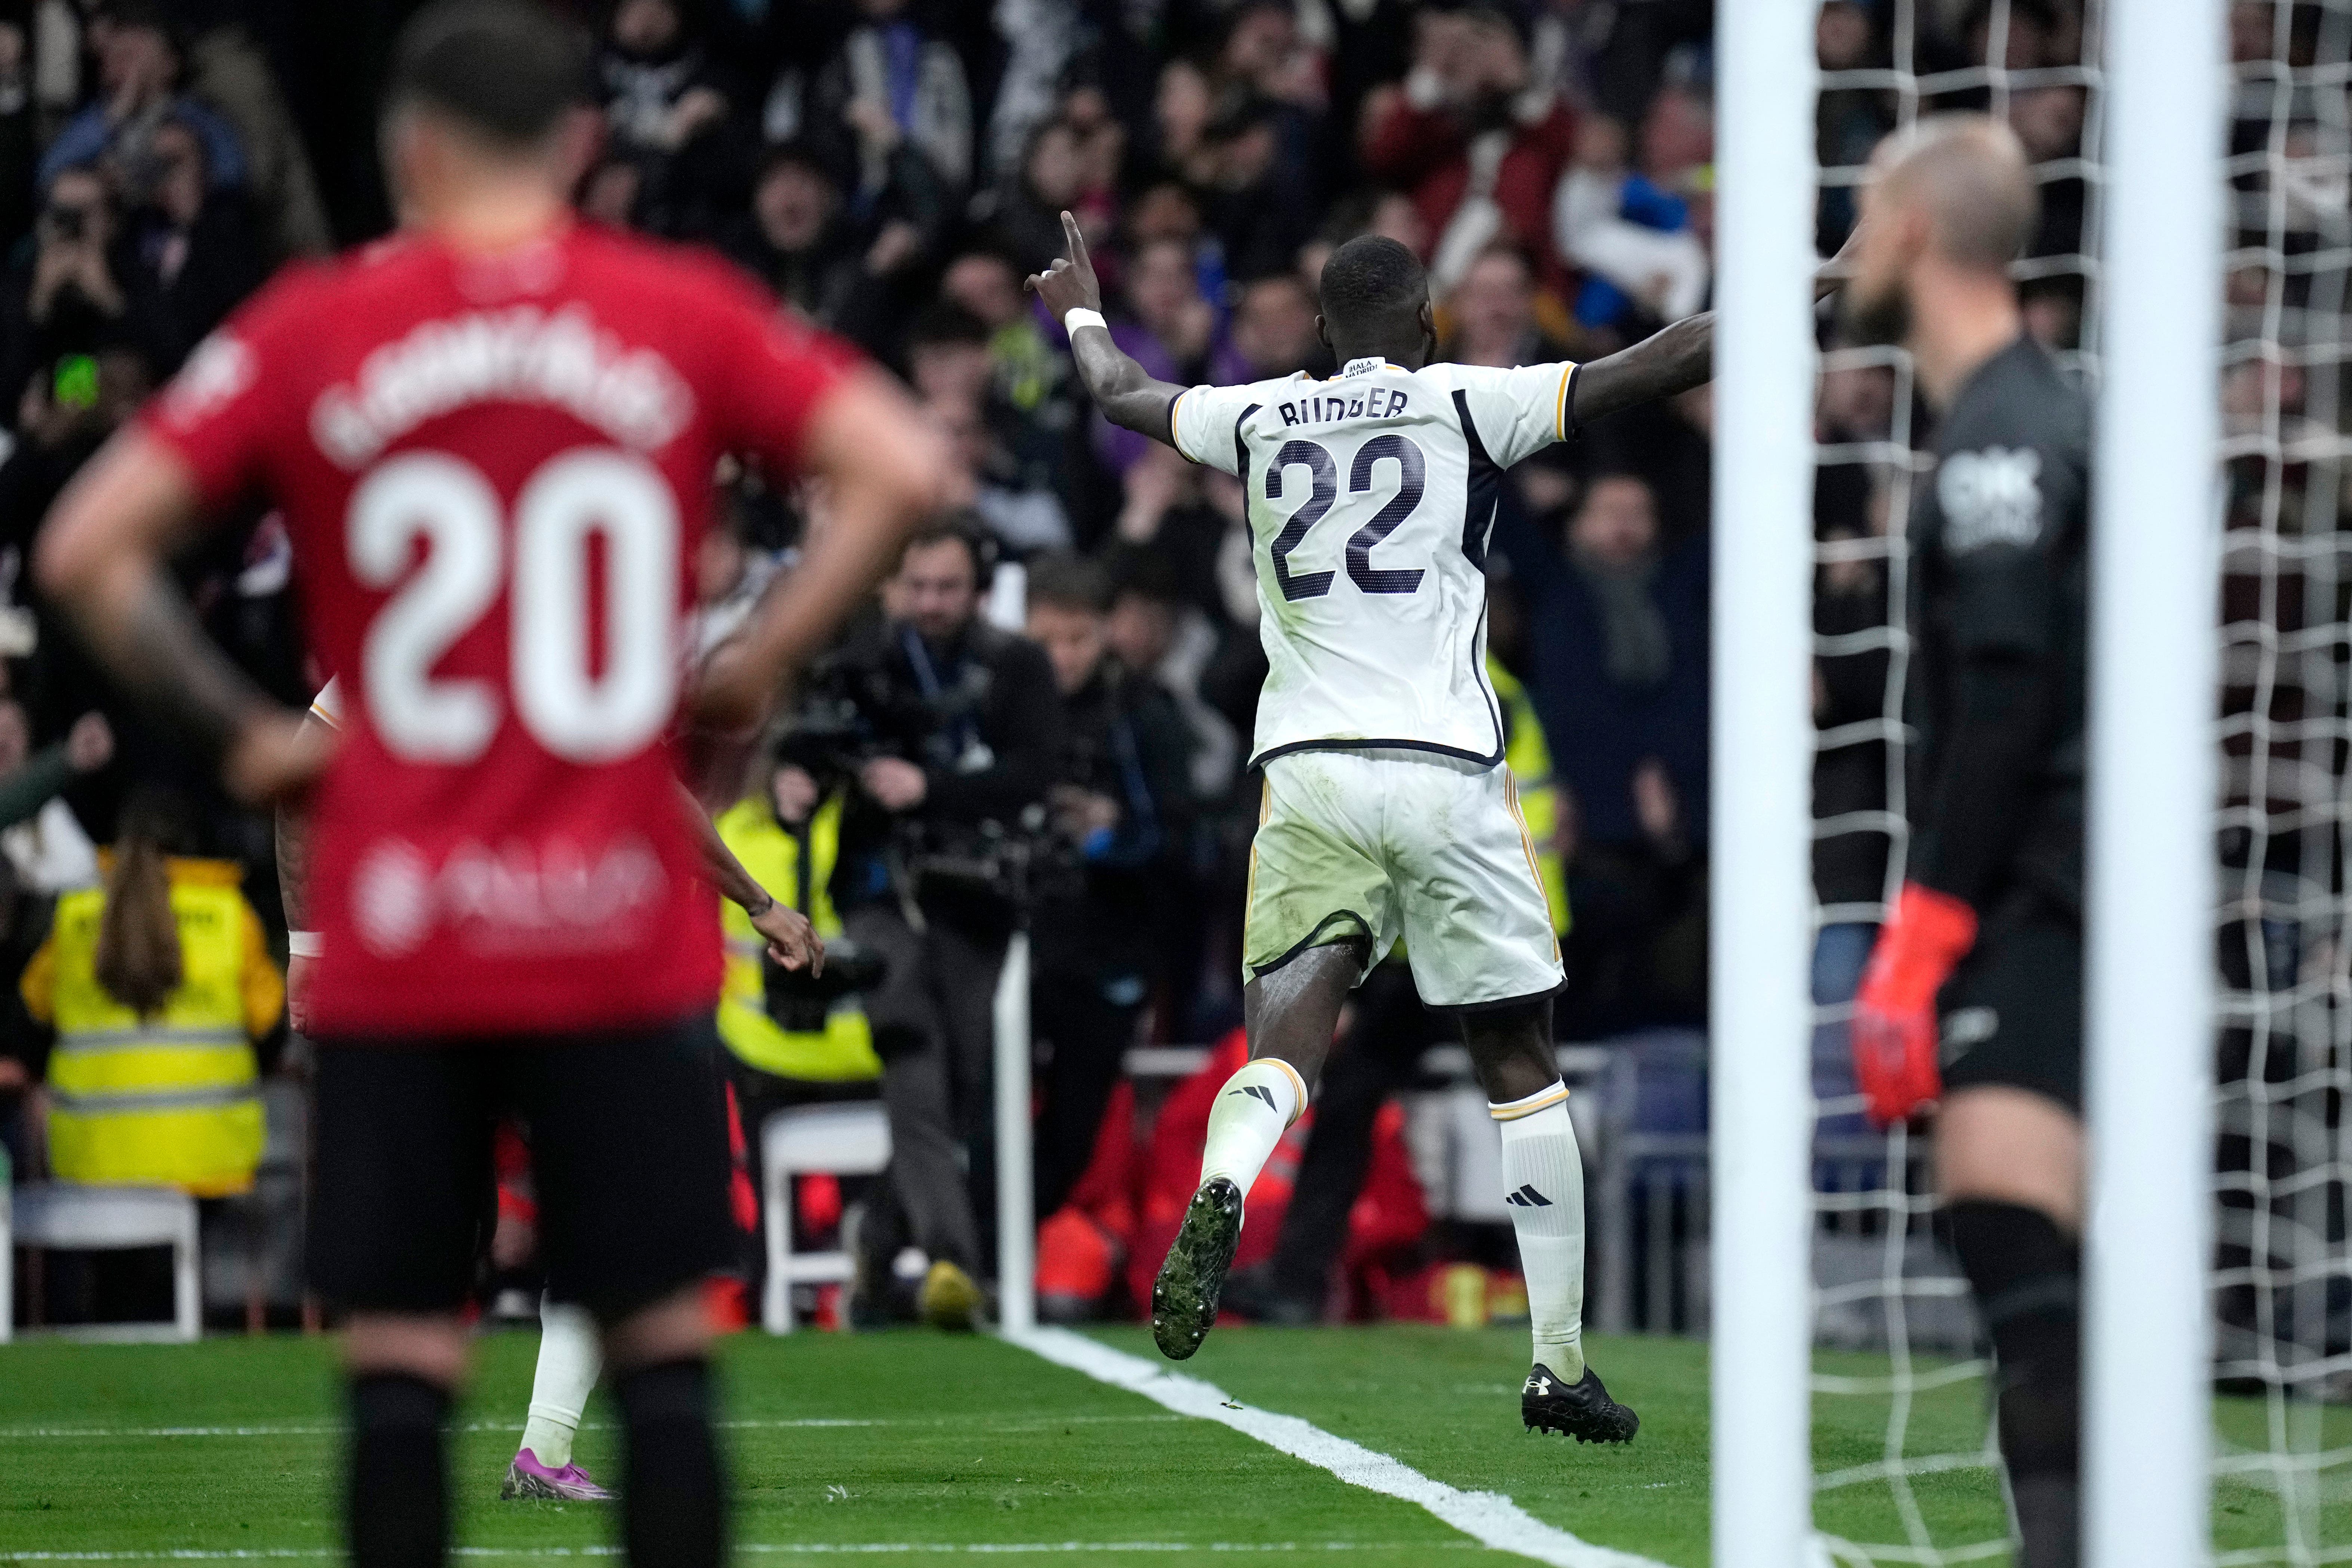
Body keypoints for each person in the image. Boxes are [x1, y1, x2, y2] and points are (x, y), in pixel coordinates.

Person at [32, 7, 942, 1568]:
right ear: (584, 145)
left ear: (413, 153)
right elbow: (902, 467)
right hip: (604, 932)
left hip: (407, 947)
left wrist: (245, 732)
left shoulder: (323, 324)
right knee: (663, 1352)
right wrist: (756, 662)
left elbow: (84, 547)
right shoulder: (673, 308)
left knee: (396, 1372)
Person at [1031, 209, 1742, 1442]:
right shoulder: (1468, 399)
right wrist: (1812, 292)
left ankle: (1227, 1174)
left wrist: (1085, 305)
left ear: (1315, 335)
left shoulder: (1256, 416)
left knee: (1287, 1038)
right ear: (1426, 327)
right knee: (1519, 1062)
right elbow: (1666, 360)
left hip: (1306, 769)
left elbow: (1117, 390)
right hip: (1446, 767)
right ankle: (1557, 1362)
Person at [280, 676, 826, 1504]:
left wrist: (309, 941)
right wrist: (757, 901)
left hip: (455, 956)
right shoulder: (552, 628)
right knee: (591, 1208)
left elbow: (295, 778)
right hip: (507, 954)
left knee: (456, 1240)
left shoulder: (404, 625)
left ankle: (481, 1465)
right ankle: (535, 1454)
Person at [1841, 115, 2090, 1568]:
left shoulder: (2005, 433)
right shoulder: (2037, 410)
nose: (1854, 246)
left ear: (1917, 234)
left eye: (1868, 216)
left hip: (2034, 883)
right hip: (2060, 876)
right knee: (2029, 1237)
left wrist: (1926, 920)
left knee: (2007, 1230)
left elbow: (2006, 691)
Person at [819, 519, 1063, 1328]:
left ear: (979, 591)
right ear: (892, 586)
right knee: (914, 1057)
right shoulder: (859, 662)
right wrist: (797, 778)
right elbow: (811, 745)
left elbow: (1035, 774)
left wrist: (928, 788)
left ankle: (878, 1244)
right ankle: (954, 1264)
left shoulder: (1018, 666)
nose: (929, 603)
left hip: (976, 893)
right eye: (916, 586)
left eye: (947, 588)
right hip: (875, 886)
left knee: (956, 1081)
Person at [18, 786, 281, 1197]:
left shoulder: (74, 917)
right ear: (189, 842)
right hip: (207, 1164)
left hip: (93, 1170)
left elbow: (30, 1028)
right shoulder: (230, 918)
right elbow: (272, 1030)